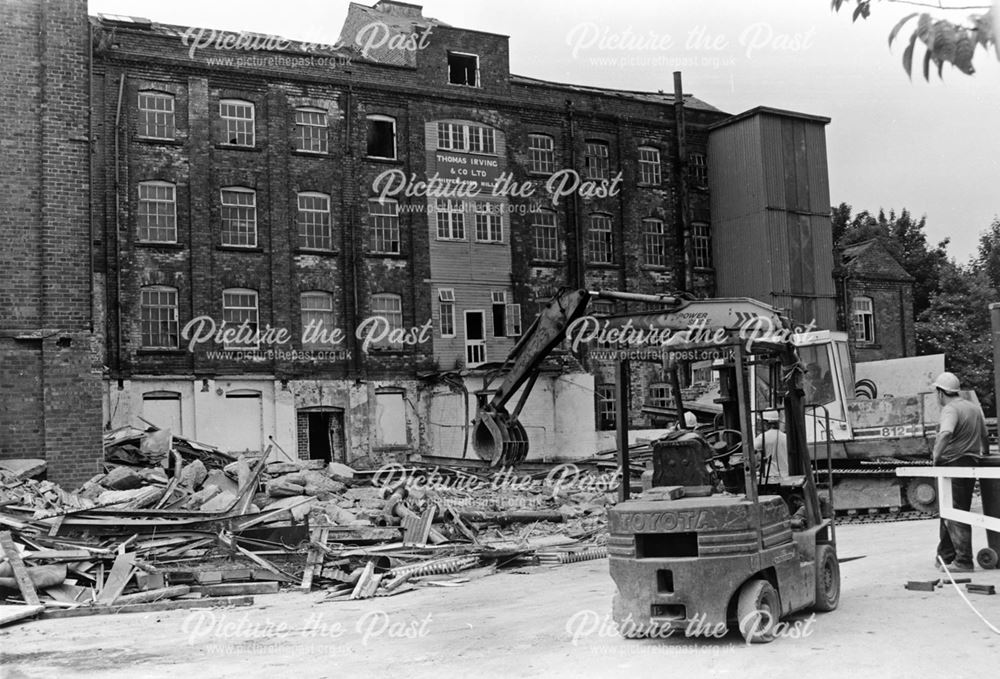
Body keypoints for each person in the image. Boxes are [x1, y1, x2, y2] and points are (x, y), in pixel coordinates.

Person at [931, 371, 989, 573]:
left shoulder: (950, 409)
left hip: (953, 463)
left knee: (955, 513)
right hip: (970, 463)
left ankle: (963, 561)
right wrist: (984, 456)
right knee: (953, 510)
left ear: (941, 392)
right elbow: (985, 436)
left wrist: (935, 456)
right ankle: (946, 555)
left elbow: (946, 433)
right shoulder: (973, 408)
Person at [754, 410, 789, 484]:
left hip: (770, 477)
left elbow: (750, 450)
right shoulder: (785, 437)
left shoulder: (762, 437)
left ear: (765, 423)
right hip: (786, 475)